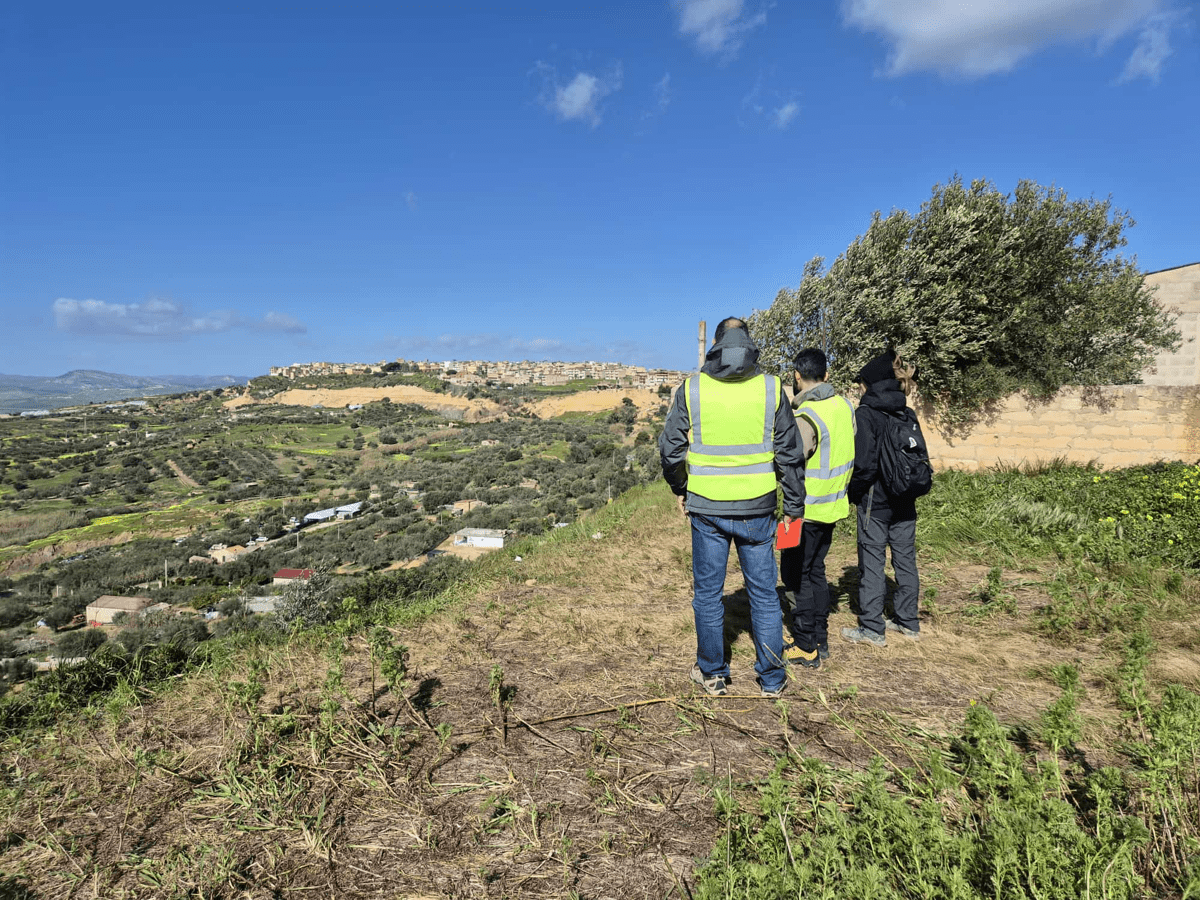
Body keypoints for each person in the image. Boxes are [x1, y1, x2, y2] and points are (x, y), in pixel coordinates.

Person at [659, 317, 806, 698]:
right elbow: (791, 454)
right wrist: (794, 504)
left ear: (717, 345)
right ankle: (772, 679)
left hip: (707, 509)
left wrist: (681, 488)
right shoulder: (772, 388)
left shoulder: (692, 389)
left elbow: (669, 449)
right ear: (749, 344)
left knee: (708, 594)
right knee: (764, 593)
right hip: (758, 508)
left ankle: (712, 674)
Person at [779, 348, 856, 669]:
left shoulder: (805, 418)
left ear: (797, 377)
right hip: (834, 506)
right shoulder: (844, 406)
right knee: (818, 572)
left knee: (795, 577)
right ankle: (820, 638)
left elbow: (788, 463)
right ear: (826, 375)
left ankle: (805, 644)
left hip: (801, 512)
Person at [844, 350, 921, 647]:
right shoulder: (906, 411)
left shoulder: (867, 414)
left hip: (875, 503)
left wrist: (854, 493)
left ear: (869, 384)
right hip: (905, 497)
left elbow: (863, 464)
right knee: (905, 560)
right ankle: (908, 621)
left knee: (873, 563)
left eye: (861, 384)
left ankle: (872, 628)